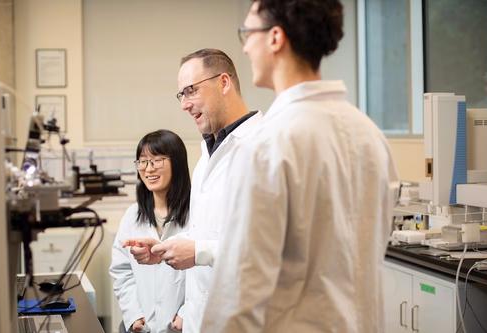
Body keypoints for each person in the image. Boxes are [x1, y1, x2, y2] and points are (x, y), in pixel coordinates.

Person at [201, 1, 400, 332]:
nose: (246, 47)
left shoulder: (267, 145)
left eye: (247, 33)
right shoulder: (369, 135)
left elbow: (238, 292)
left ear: (276, 38)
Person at [124, 48, 263, 333]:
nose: (184, 105)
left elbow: (270, 247)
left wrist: (199, 251)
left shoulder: (263, 149)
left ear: (223, 82)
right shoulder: (207, 157)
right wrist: (163, 250)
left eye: (191, 91)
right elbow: (208, 232)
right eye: (181, 95)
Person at [110, 129, 191, 333]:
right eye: (142, 161)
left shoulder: (197, 214)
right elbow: (121, 270)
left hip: (184, 326)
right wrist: (133, 314)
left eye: (156, 160)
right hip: (142, 327)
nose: (148, 169)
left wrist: (187, 313)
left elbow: (207, 273)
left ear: (177, 163)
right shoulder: (132, 215)